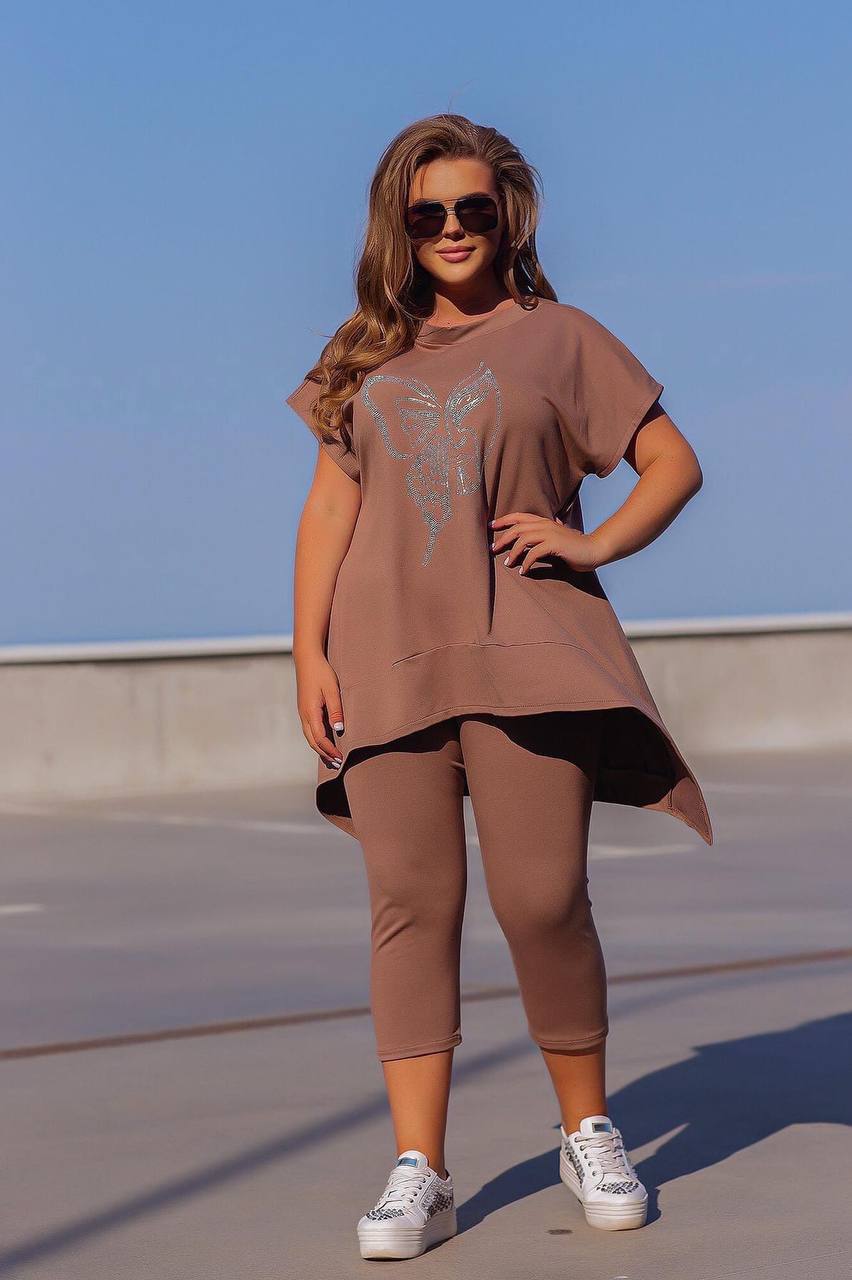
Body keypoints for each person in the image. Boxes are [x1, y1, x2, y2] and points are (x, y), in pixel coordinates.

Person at [285, 113, 714, 1261]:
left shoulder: (561, 337)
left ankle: (589, 1130)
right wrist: (309, 652)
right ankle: (419, 1168)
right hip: (384, 658)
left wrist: (594, 541)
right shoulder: (361, 352)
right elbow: (329, 507)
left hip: (529, 649)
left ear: (509, 217)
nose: (453, 227)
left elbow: (672, 462)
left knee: (542, 899)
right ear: (399, 224)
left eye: (474, 207)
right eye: (428, 211)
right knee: (410, 904)